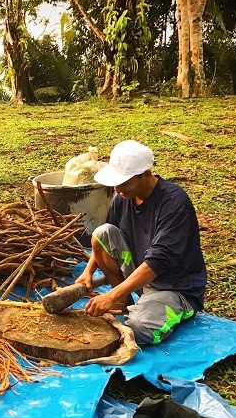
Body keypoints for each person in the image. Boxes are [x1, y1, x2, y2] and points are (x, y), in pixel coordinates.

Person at [75, 140, 206, 345]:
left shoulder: (174, 202)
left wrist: (109, 295)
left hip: (175, 287)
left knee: (138, 330)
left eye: (125, 183)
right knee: (102, 231)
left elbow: (158, 262)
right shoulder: (124, 197)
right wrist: (88, 271)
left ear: (146, 174)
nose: (118, 189)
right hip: (141, 276)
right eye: (116, 183)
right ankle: (124, 301)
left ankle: (161, 307)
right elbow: (103, 239)